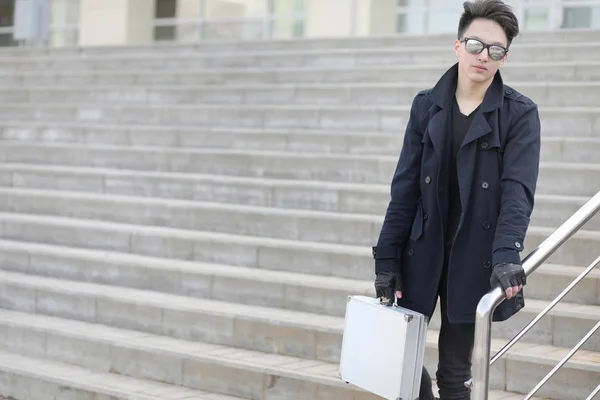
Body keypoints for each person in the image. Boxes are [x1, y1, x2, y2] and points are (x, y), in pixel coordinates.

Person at [372, 1, 541, 399]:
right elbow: (404, 189)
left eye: (495, 50)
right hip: (422, 250)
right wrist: (386, 259)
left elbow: (519, 191)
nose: (484, 55)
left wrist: (507, 253)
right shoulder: (426, 105)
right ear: (457, 46)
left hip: (475, 257)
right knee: (400, 364)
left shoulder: (519, 114)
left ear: (505, 57)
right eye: (476, 45)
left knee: (455, 375)